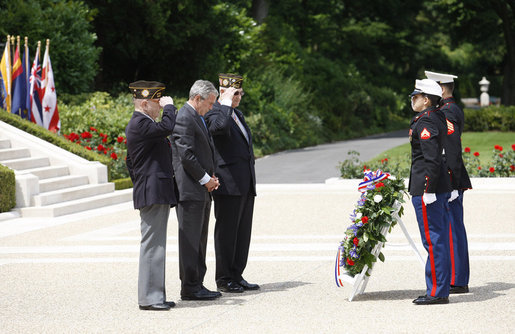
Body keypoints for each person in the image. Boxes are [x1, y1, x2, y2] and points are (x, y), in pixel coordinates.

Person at [205, 73, 259, 293]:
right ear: (223, 93)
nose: (238, 97)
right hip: (227, 183)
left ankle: (237, 275)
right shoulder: (216, 112)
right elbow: (218, 129)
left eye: (239, 93)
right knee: (226, 233)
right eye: (233, 93)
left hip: (245, 183)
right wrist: (225, 103)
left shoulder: (237, 114)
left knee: (242, 233)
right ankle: (224, 278)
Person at [125, 80, 177, 311]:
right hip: (153, 192)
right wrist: (171, 108)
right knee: (152, 246)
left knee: (157, 246)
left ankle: (156, 295)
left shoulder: (143, 124)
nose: (160, 106)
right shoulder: (140, 123)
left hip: (154, 190)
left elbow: (130, 163)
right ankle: (149, 298)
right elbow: (167, 128)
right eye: (157, 102)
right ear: (145, 103)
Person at [171, 79, 222, 301]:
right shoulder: (184, 116)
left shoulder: (196, 117)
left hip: (200, 188)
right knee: (191, 240)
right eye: (209, 103)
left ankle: (198, 283)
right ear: (197, 98)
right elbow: (186, 155)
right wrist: (205, 179)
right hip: (190, 190)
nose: (211, 108)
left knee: (200, 239)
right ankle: (190, 287)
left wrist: (209, 178)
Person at [425, 71, 472, 294]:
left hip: (451, 178)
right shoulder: (448, 109)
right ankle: (458, 277)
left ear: (442, 89)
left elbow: (451, 149)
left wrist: (452, 183)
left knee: (452, 228)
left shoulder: (448, 112)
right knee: (453, 227)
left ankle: (457, 279)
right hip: (451, 177)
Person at [408, 79, 452, 305]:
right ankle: (440, 288)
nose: (412, 100)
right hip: (438, 187)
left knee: (433, 240)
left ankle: (436, 291)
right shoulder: (436, 117)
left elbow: (432, 159)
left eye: (416, 96)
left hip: (429, 189)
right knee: (439, 238)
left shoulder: (426, 122)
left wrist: (428, 189)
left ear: (426, 100)